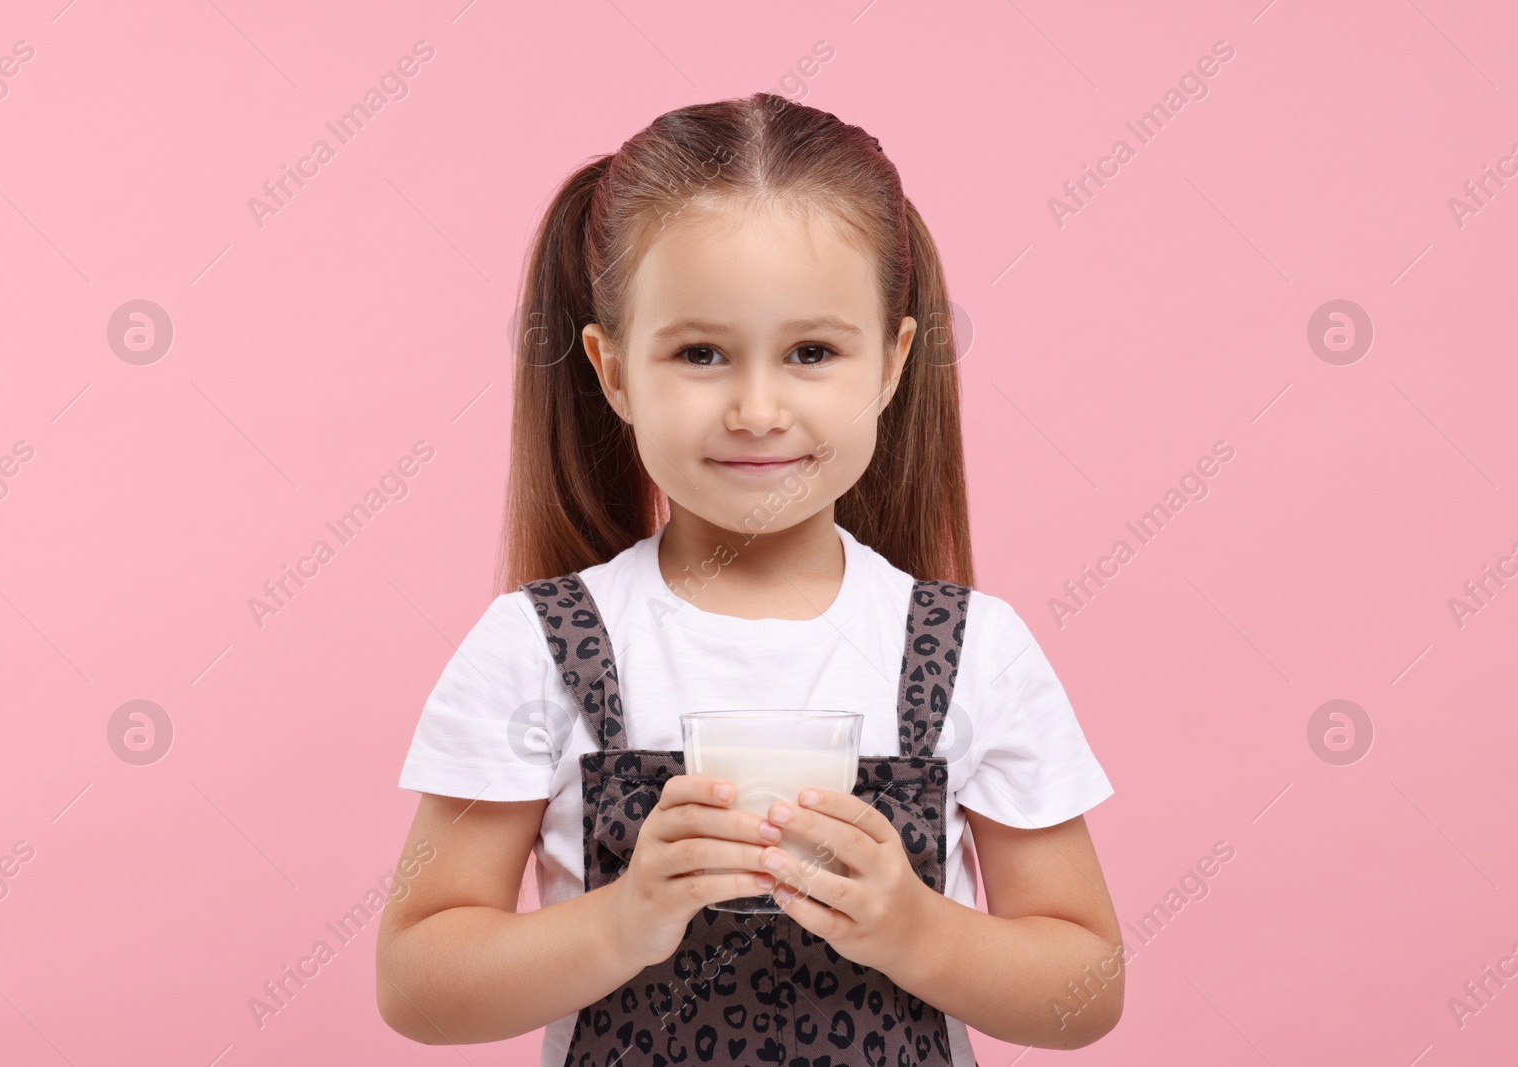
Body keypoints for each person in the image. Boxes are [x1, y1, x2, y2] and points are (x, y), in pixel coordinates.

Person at [376, 91, 1123, 1065]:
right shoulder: (541, 647)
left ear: (893, 363)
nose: (758, 407)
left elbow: (1085, 987)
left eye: (811, 351)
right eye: (699, 353)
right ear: (612, 372)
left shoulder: (971, 650)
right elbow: (418, 979)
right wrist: (619, 923)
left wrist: (918, 929)